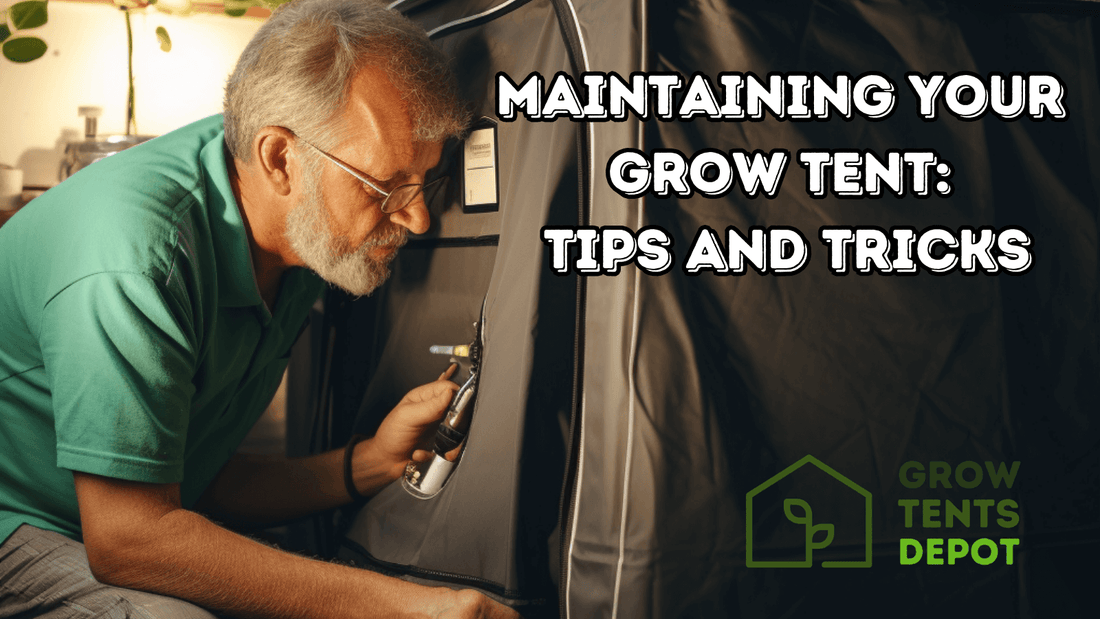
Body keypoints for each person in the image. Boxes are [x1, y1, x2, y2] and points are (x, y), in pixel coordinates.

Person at [0, 1, 518, 617]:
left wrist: (372, 463)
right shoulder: (136, 260)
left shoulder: (300, 229)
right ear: (280, 159)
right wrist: (411, 608)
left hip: (129, 517)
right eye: (387, 187)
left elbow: (203, 480)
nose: (417, 217)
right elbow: (131, 539)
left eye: (423, 179)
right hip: (24, 520)